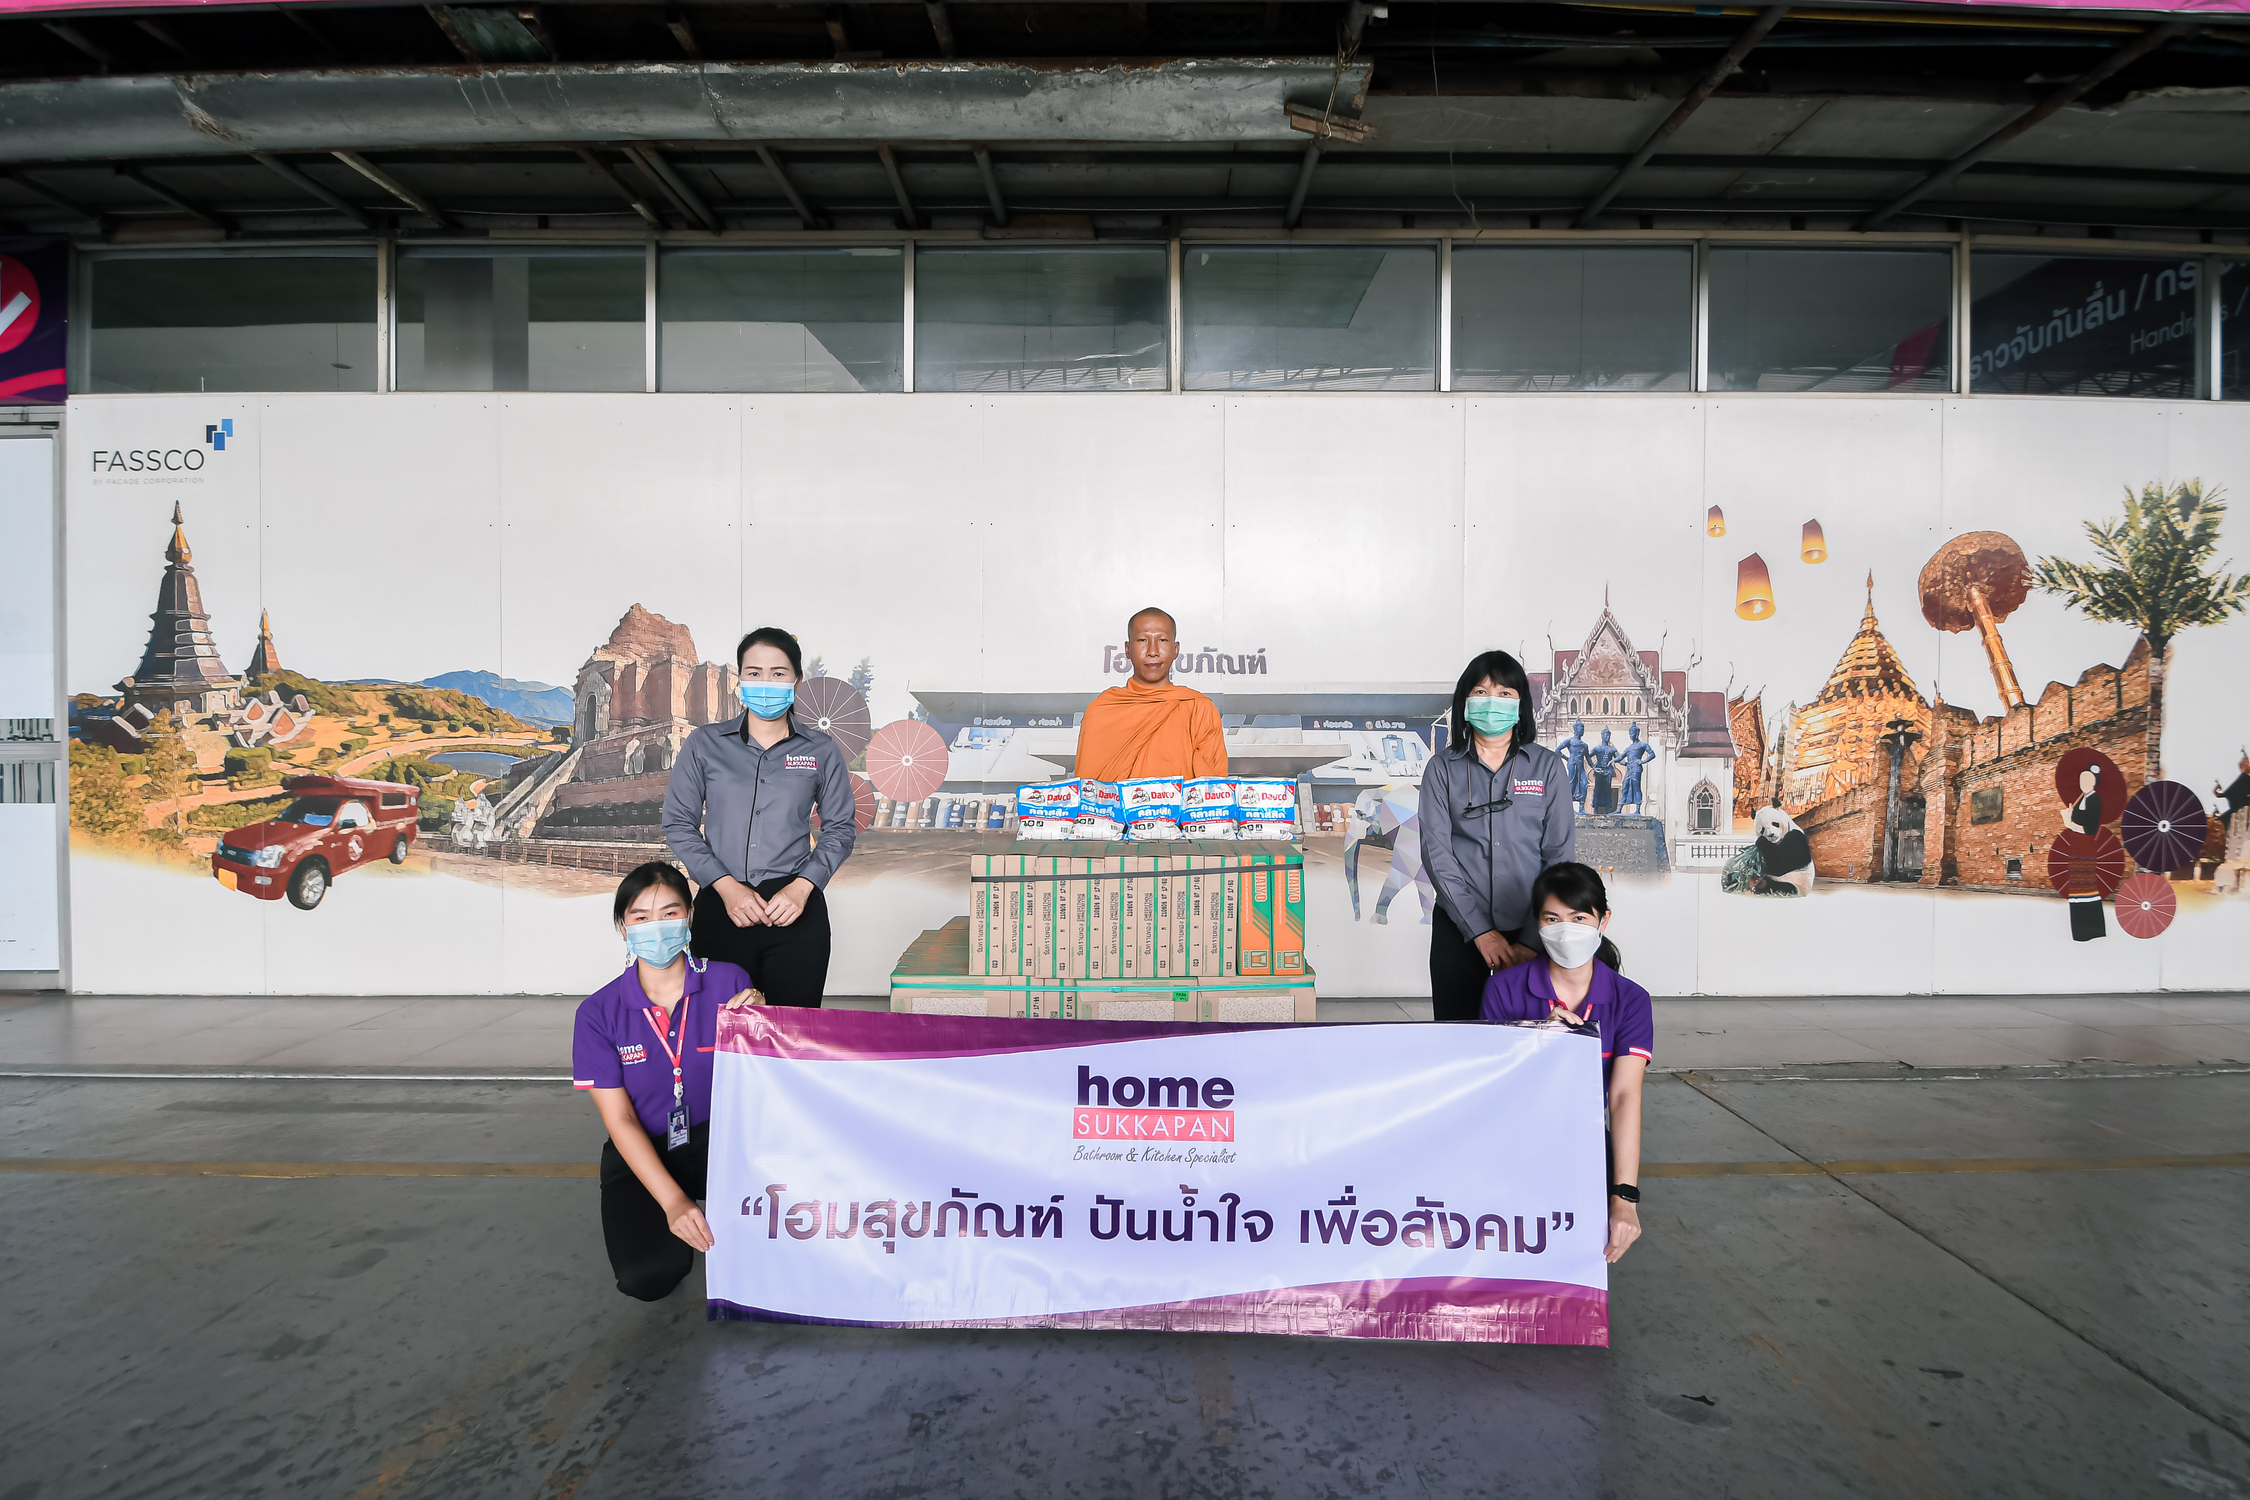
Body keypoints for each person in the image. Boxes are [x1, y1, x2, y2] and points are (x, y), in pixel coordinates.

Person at [573, 861, 763, 1301]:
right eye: (641, 917)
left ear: (690, 917)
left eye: (670, 913)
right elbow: (620, 1119)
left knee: (777, 1246)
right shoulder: (597, 1013)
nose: (656, 928)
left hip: (721, 1141)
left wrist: (764, 1022)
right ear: (623, 927)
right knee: (648, 1276)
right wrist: (674, 1202)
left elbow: (760, 1082)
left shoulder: (730, 983)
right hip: (644, 1145)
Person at [662, 626, 858, 1006]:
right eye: (754, 672)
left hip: (794, 909)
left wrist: (804, 887)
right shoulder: (704, 744)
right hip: (723, 908)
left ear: (796, 680)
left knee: (793, 1029)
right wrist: (726, 887)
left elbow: (840, 829)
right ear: (740, 679)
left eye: (778, 673)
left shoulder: (820, 750)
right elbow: (678, 824)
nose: (765, 682)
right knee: (721, 1028)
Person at [1480, 861, 1651, 1263]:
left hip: (1584, 1146)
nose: (1566, 929)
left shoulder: (1631, 1000)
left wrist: (1624, 1198)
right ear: (1537, 924)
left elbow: (1624, 1096)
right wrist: (1538, 1040)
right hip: (1512, 1145)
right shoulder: (1503, 990)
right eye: (1552, 919)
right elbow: (1493, 1090)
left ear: (1603, 920)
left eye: (1579, 918)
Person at [1420, 650, 1575, 1021]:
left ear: (1520, 706)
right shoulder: (1441, 769)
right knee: (1458, 1032)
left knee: (1531, 1033)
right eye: (1481, 692)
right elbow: (1437, 855)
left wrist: (1531, 940)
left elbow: (1559, 856)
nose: (1492, 702)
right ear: (1465, 702)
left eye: (1505, 693)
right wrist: (1480, 932)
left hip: (1534, 922)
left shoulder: (1547, 766)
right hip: (1460, 925)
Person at [1075, 607, 1228, 780]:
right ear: (1127, 649)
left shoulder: (1198, 709)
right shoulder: (1101, 711)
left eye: (1162, 640)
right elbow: (1089, 790)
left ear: (1176, 649)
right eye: (1142, 640)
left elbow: (1213, 788)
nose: (1152, 651)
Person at [2065, 762, 2103, 835]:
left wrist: (2070, 825)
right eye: (2082, 780)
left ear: (2093, 782)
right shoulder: (2080, 799)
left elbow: (2091, 830)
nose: (2083, 783)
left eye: (2087, 780)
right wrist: (2069, 814)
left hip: (2087, 839)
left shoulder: (2095, 801)